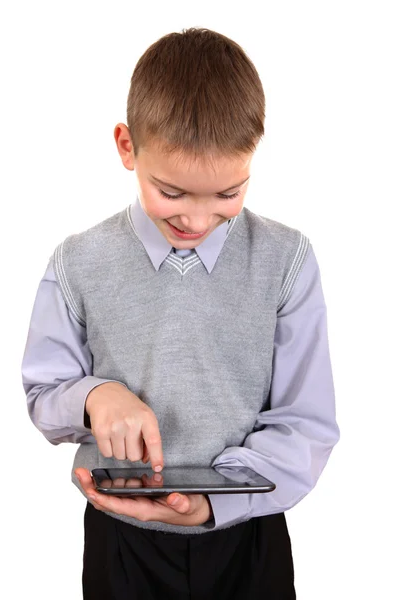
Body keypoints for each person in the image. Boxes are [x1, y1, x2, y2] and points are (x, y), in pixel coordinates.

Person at [21, 27, 340, 600]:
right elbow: (45, 398)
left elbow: (305, 423)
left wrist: (212, 504)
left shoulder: (286, 258)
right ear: (126, 147)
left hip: (248, 535)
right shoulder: (78, 261)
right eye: (172, 192)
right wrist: (95, 395)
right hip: (123, 545)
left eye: (226, 195)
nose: (196, 218)